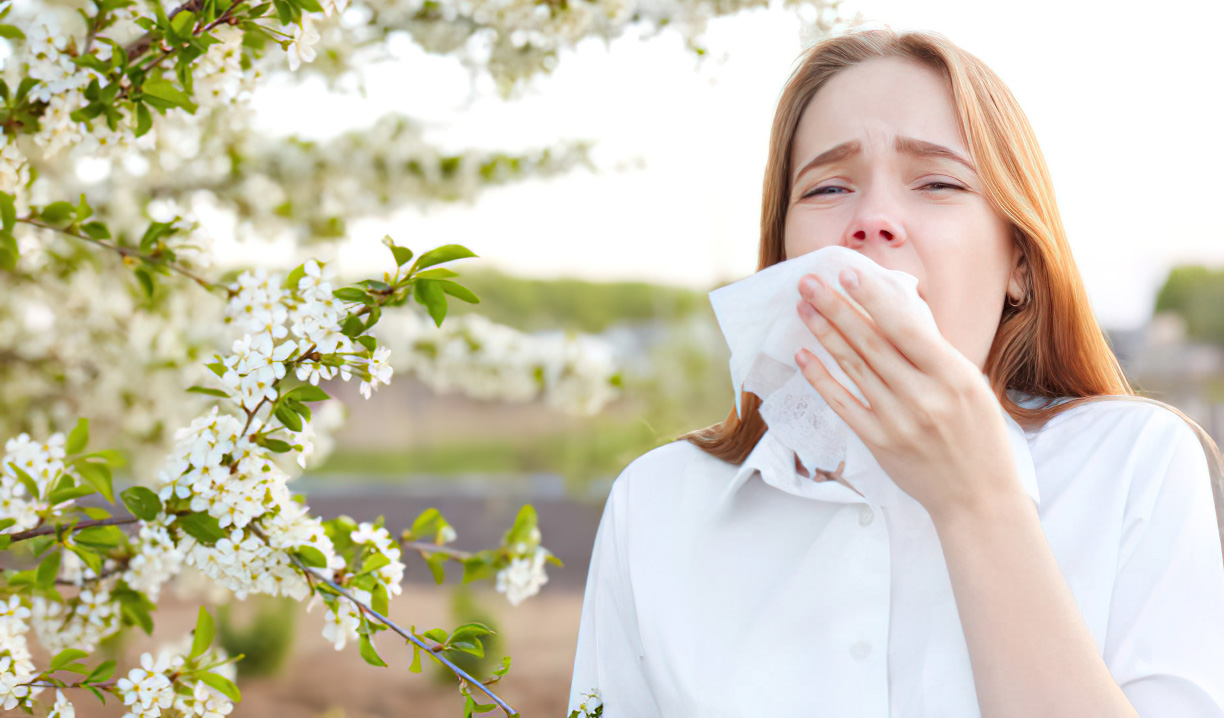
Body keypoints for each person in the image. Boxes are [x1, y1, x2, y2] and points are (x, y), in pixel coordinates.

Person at [566, 25, 1224, 717]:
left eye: (938, 182)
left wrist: (977, 503)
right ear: (785, 255)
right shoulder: (655, 504)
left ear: (1019, 266)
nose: (873, 220)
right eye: (827, 188)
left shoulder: (1134, 465)